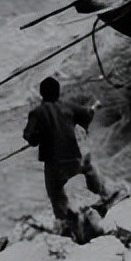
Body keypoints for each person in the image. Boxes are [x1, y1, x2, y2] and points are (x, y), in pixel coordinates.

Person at [23, 77, 117, 235]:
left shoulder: (37, 112)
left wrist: (36, 138)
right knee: (88, 168)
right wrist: (93, 108)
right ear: (58, 93)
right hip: (74, 159)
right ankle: (102, 193)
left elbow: (30, 136)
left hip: (54, 165)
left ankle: (66, 224)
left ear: (41, 94)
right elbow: (86, 115)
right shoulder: (68, 106)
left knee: (56, 194)